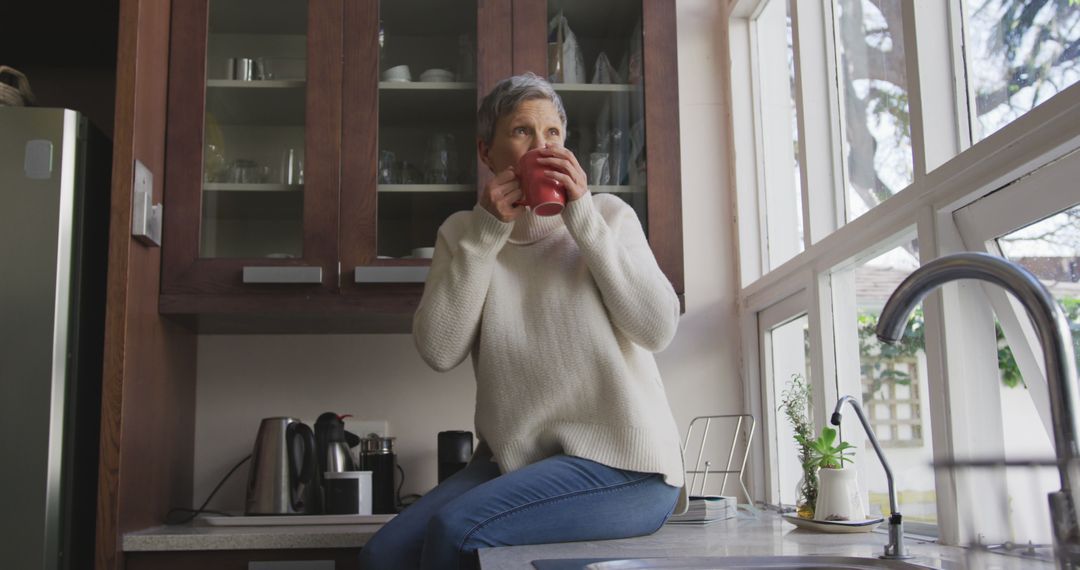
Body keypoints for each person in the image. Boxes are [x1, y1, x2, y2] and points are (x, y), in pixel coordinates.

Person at [358, 72, 687, 570]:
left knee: (455, 529)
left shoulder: (609, 216)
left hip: (625, 467)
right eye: (522, 132)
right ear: (487, 152)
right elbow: (439, 350)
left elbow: (657, 329)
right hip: (513, 465)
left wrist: (583, 223)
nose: (542, 146)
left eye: (553, 133)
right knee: (383, 556)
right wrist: (488, 234)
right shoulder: (462, 233)